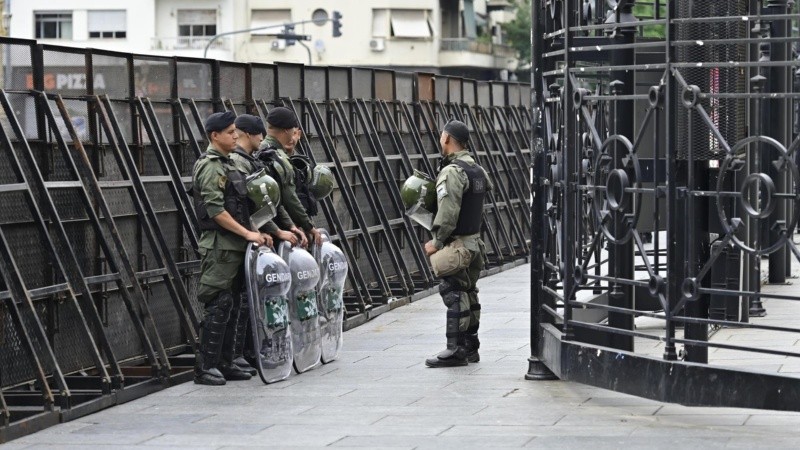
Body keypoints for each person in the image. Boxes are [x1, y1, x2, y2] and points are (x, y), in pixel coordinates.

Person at [192, 111, 271, 385]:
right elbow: (216, 211)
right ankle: (205, 367)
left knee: (234, 303)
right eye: (229, 132)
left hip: (234, 245)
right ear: (215, 136)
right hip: (220, 246)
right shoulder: (211, 165)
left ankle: (225, 362)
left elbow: (240, 207)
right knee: (219, 304)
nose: (235, 135)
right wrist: (248, 233)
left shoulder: (227, 164)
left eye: (236, 131)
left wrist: (256, 232)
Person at [423, 119, 492, 368]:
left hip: (458, 245)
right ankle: (471, 347)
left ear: (447, 139)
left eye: (442, 136)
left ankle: (455, 349)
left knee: (453, 291)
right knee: (470, 292)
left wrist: (437, 240)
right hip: (475, 243)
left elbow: (449, 210)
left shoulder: (452, 171)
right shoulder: (477, 170)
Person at [258, 107, 322, 247]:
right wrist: (308, 226)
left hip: (265, 228)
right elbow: (289, 197)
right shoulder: (278, 157)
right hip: (281, 231)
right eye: (293, 130)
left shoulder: (260, 149)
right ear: (287, 130)